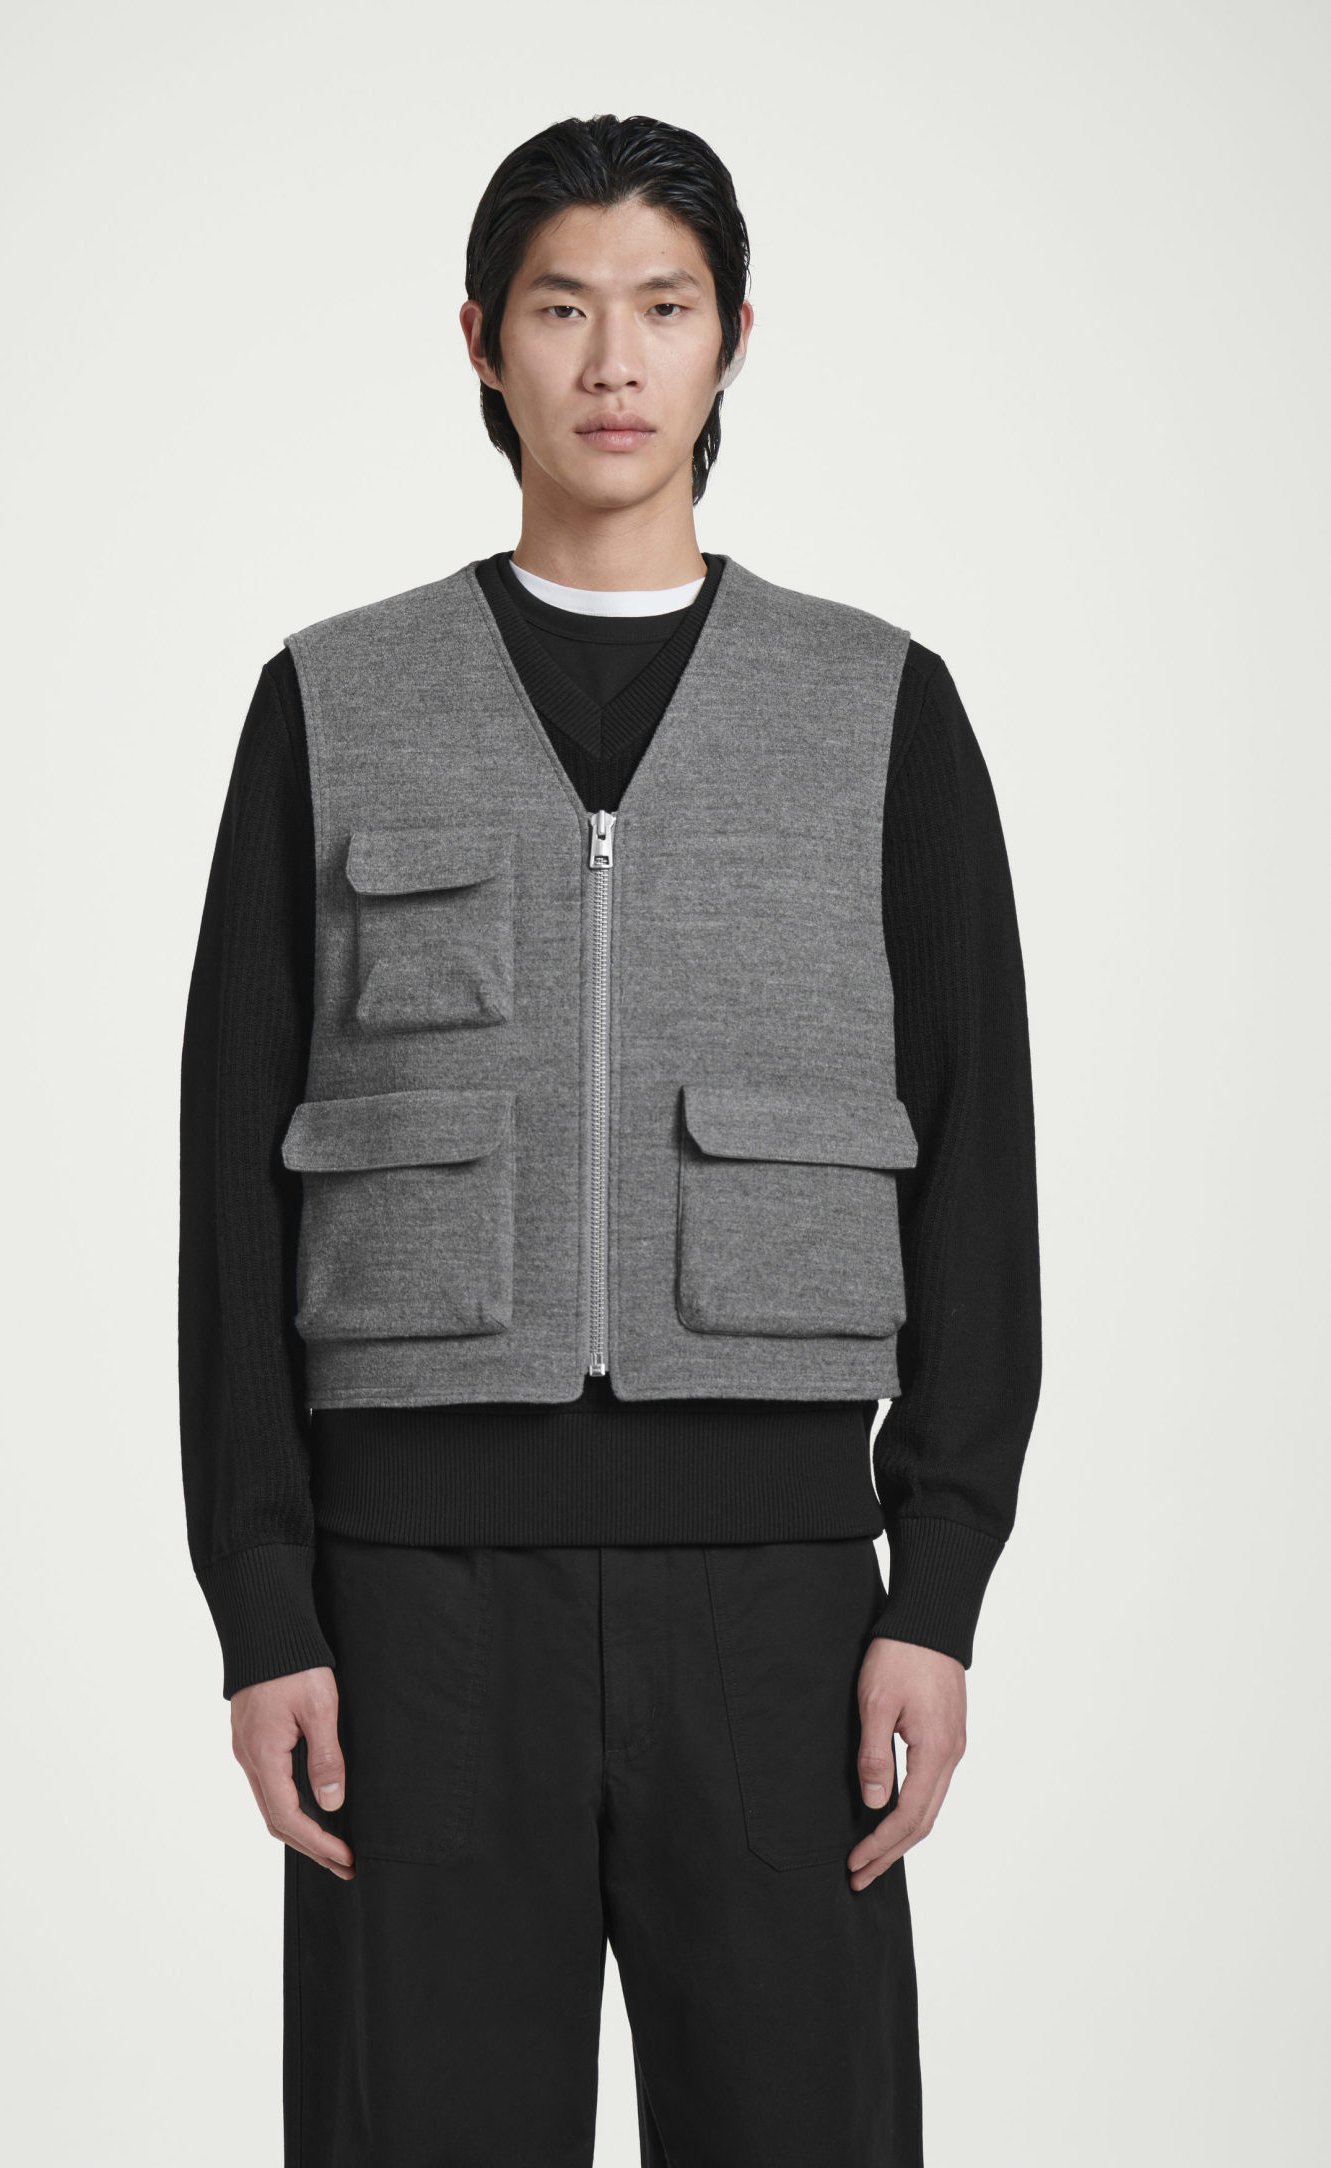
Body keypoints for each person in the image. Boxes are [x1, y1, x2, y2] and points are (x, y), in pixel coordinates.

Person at [179, 110, 1041, 2167]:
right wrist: (265, 1603)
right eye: (562, 308)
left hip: (780, 1602)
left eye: (662, 306)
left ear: (732, 338)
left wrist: (936, 1585)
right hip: (413, 1610)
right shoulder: (331, 701)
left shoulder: (881, 706)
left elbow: (982, 1164)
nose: (614, 360)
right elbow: (223, 1188)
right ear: (484, 341)